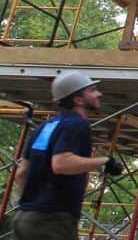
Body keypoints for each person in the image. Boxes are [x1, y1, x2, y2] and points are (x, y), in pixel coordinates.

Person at [11, 72, 124, 240]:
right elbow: (61, 164)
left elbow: (22, 173)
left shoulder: (45, 127)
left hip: (25, 218)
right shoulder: (77, 124)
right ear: (78, 100)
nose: (99, 94)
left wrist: (32, 204)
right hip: (52, 220)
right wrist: (105, 161)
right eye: (92, 90)